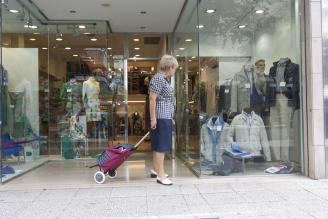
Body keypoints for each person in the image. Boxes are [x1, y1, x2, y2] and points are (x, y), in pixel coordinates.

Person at [149, 55, 178, 185]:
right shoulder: (159, 78)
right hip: (161, 117)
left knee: (157, 145)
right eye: (174, 68)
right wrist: (153, 118)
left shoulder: (163, 79)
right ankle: (160, 175)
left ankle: (155, 169)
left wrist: (170, 116)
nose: (174, 71)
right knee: (162, 146)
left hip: (164, 116)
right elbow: (152, 99)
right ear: (170, 67)